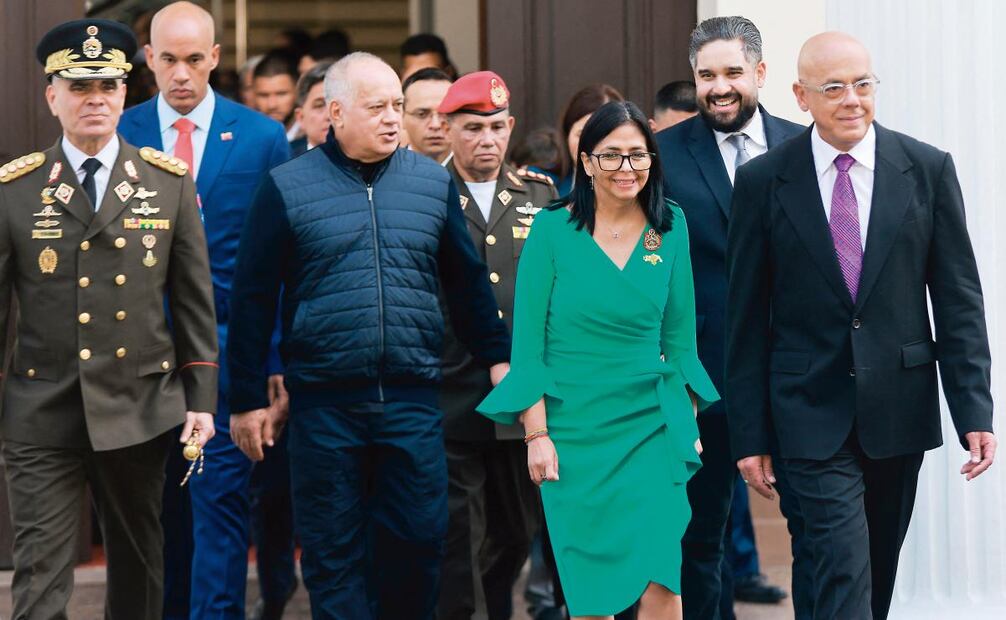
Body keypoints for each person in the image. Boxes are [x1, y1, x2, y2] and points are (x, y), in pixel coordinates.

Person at [226, 52, 511, 619]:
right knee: (334, 557)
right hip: (325, 407)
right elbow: (253, 298)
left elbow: (467, 284)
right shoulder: (287, 186)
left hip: (410, 402)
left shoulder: (430, 185)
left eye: (398, 107)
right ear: (335, 112)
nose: (392, 118)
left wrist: (498, 358)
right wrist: (246, 401)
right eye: (377, 106)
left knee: (417, 546)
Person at [726, 31, 996, 620]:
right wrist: (748, 435)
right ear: (801, 95)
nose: (852, 99)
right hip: (805, 410)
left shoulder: (925, 169)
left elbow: (957, 302)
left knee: (870, 572)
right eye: (834, 87)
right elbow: (744, 317)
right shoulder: (764, 181)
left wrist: (973, 410)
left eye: (863, 84)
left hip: (898, 407)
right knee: (841, 559)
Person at [0, 18, 218, 619]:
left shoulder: (166, 183)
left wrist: (201, 397)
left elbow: (194, 299)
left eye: (108, 88)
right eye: (78, 88)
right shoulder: (16, 190)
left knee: (141, 563)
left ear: (126, 93)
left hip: (139, 403)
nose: (94, 101)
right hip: (42, 406)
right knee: (41, 570)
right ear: (52, 95)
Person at [478, 100, 718, 620]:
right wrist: (536, 435)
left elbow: (680, 343)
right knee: (590, 589)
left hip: (652, 421)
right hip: (574, 429)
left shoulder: (670, 226)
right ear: (586, 162)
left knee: (663, 576)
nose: (626, 168)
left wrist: (687, 418)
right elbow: (529, 348)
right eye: (611, 156)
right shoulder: (551, 229)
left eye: (637, 155)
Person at [116, 2, 292, 618]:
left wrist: (271, 362)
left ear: (216, 57)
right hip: (135, 360)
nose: (182, 74)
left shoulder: (261, 137)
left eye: (195, 59)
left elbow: (276, 263)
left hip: (223, 356)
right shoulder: (123, 130)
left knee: (219, 508)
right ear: (149, 60)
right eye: (168, 60)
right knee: (151, 511)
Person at [654, 16, 811, 620]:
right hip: (704, 375)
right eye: (706, 75)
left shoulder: (807, 146)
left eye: (733, 73)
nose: (720, 87)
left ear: (761, 74)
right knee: (701, 538)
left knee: (818, 535)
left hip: (802, 375)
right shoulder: (661, 155)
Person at [436, 70, 557, 620]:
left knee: (514, 531)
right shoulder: (424, 191)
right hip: (452, 390)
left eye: (496, 126)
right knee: (458, 536)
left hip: (520, 398)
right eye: (472, 128)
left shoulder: (541, 195)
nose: (486, 139)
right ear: (447, 127)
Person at [559, 84, 624, 191]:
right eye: (581, 134)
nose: (590, 144)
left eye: (602, 135)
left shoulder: (633, 185)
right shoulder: (543, 186)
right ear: (567, 133)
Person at [402, 67, 453, 163]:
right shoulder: (381, 174)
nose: (435, 125)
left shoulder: (478, 173)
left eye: (446, 114)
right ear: (402, 117)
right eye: (422, 114)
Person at [253, 49, 301, 140]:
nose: (272, 105)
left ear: (297, 91)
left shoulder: (315, 136)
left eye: (281, 94)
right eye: (263, 95)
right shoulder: (244, 136)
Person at [290, 61, 332, 156]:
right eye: (319, 105)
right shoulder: (281, 161)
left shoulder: (371, 163)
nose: (329, 116)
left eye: (338, 106)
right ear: (300, 117)